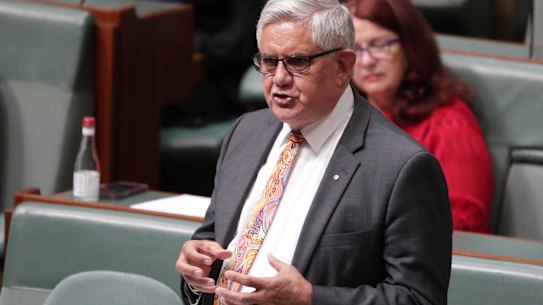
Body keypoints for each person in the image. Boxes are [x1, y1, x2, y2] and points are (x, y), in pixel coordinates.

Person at [176, 0, 452, 304]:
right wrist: (196, 270)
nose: (279, 78)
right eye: (269, 61)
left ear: (342, 66)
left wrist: (310, 299)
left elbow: (420, 298)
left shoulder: (402, 167)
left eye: (297, 62)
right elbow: (210, 240)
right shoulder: (245, 132)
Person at [348, 0, 494, 233]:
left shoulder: (450, 123)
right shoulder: (344, 115)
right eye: (355, 49)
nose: (366, 61)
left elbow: (464, 221)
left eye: (380, 45)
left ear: (410, 47)